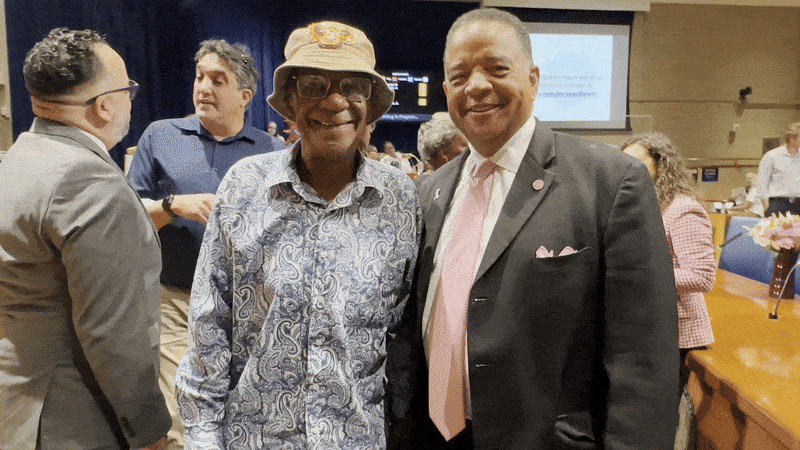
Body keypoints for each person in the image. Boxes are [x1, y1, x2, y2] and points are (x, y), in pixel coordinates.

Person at [406, 9, 679, 449]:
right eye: (459, 76)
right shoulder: (428, 192)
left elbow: (643, 357)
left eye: (496, 69)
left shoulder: (610, 183)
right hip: (437, 437)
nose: (476, 86)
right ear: (447, 91)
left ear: (533, 79)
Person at [176, 21, 421, 449]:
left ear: (370, 103)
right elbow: (209, 329)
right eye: (313, 85)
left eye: (353, 87)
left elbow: (402, 340)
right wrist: (202, 438)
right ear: (290, 99)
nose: (335, 101)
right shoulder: (244, 187)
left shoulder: (399, 198)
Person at [0, 28, 169, 450]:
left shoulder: (18, 158)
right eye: (128, 89)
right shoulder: (90, 182)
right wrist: (150, 432)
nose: (131, 100)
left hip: (18, 404)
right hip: (73, 418)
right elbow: (114, 335)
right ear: (104, 106)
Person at [127, 39, 280, 449]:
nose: (204, 88)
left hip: (247, 310)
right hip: (176, 301)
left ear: (245, 96)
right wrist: (173, 205)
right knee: (181, 414)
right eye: (199, 78)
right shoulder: (162, 136)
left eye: (218, 80)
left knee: (244, 411)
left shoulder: (272, 151)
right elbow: (126, 217)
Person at [621, 132, 716, 392]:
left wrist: (635, 275)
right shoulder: (645, 203)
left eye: (636, 163)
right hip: (647, 327)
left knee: (661, 410)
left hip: (677, 334)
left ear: (661, 165)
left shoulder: (682, 209)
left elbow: (701, 277)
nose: (628, 170)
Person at [756, 122, 800, 217]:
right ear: (792, 137)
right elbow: (762, 184)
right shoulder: (771, 156)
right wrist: (767, 207)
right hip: (778, 203)